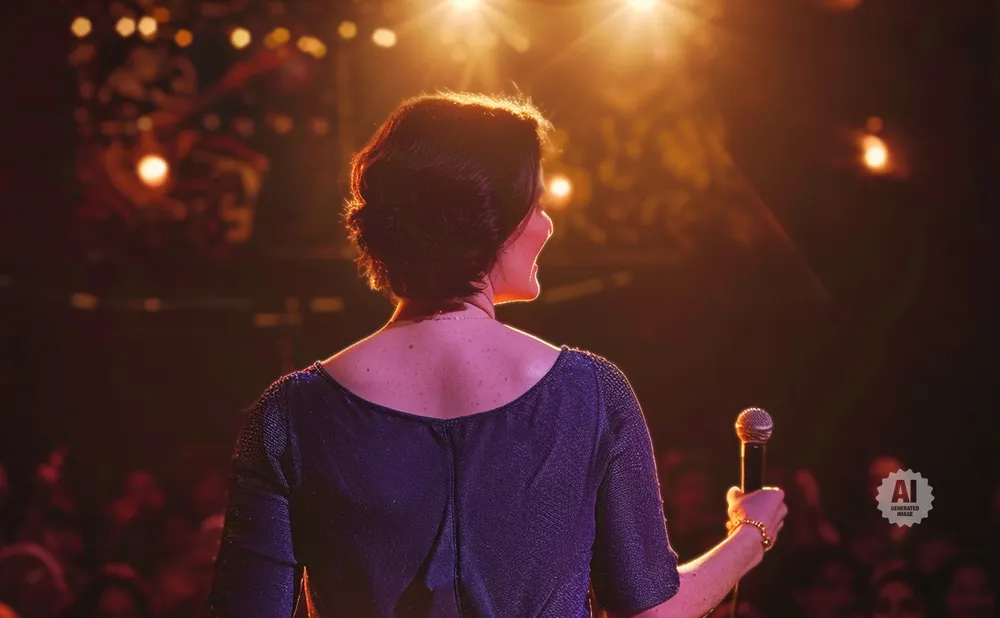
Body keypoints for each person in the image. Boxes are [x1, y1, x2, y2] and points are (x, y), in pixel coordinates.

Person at [208, 92, 787, 618]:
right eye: (534, 204)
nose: (548, 224)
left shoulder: (288, 415)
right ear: (487, 222)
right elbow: (649, 613)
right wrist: (750, 536)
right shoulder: (590, 393)